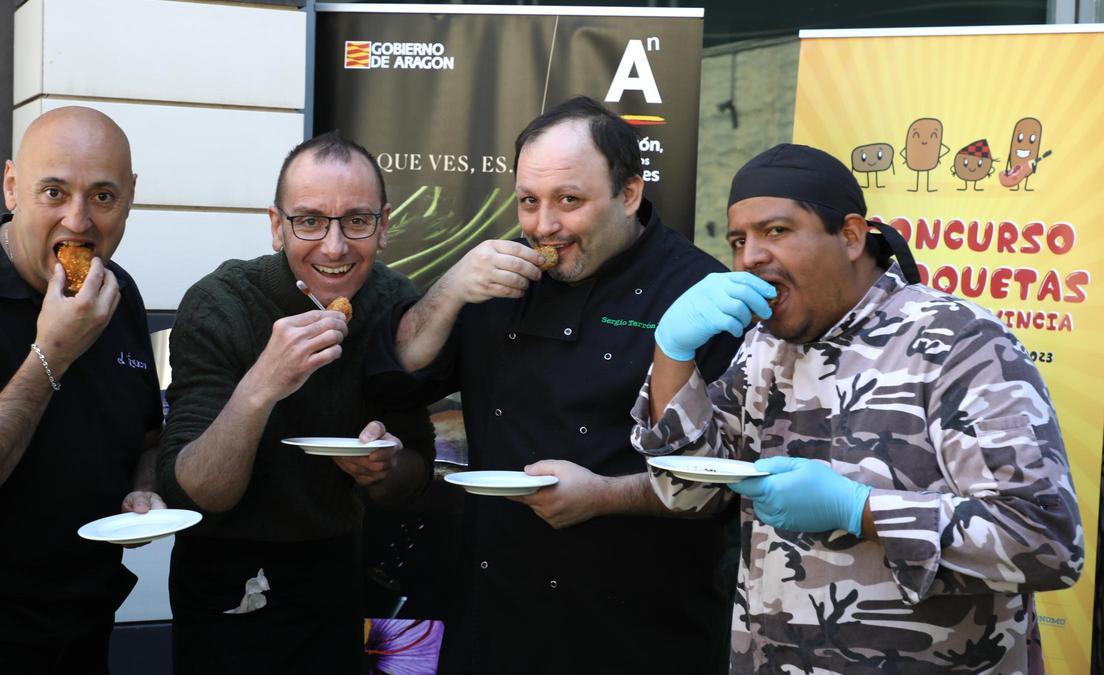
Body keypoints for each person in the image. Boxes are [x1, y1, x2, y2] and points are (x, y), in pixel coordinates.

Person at [633, 143, 1083, 673]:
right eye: (739, 240)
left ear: (849, 236)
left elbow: (1046, 540)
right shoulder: (763, 346)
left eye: (775, 231)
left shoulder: (960, 342)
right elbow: (687, 494)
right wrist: (671, 353)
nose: (750, 256)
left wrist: (860, 510)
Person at [366, 96, 742, 674]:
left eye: (570, 201)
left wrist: (603, 494)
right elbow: (400, 381)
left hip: (638, 626)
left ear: (630, 194)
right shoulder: (497, 275)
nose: (544, 226)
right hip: (496, 614)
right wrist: (451, 287)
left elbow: (728, 482)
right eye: (528, 202)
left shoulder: (698, 293)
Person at [156, 132, 435, 675]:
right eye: (309, 221)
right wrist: (263, 383)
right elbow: (195, 489)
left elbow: (416, 476)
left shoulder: (397, 305)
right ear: (276, 225)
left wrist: (384, 467)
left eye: (356, 221)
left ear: (384, 224)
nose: (334, 247)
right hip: (228, 582)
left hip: (342, 570)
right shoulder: (222, 303)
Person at [0, 107, 164, 674]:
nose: (78, 221)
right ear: (12, 186)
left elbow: (145, 436)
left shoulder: (119, 294)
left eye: (102, 196)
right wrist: (52, 354)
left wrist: (142, 494)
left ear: (130, 197)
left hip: (84, 627)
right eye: (53, 191)